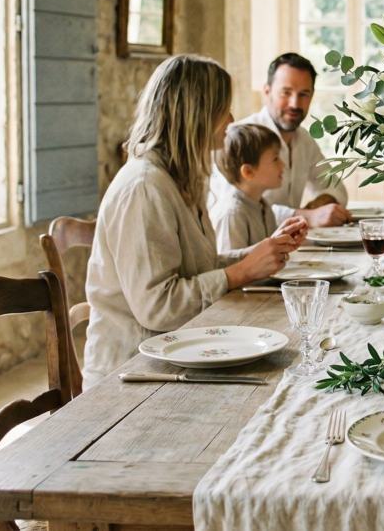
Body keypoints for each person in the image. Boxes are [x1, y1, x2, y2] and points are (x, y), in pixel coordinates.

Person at [84, 55, 308, 388]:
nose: (231, 120)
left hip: (183, 353)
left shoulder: (180, 177)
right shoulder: (144, 186)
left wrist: (254, 256)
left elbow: (195, 268)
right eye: (223, 110)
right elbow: (158, 307)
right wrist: (240, 272)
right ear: (196, 115)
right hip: (134, 374)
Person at [212, 53, 351, 228]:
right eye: (286, 92)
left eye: (304, 94)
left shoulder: (304, 140)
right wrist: (304, 216)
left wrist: (318, 206)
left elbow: (336, 187)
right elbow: (231, 207)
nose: (295, 103)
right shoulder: (237, 138)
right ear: (267, 92)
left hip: (290, 246)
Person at [211, 123, 310, 254]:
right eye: (275, 159)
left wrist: (283, 241)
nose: (283, 164)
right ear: (248, 171)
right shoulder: (232, 214)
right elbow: (233, 268)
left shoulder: (263, 206)